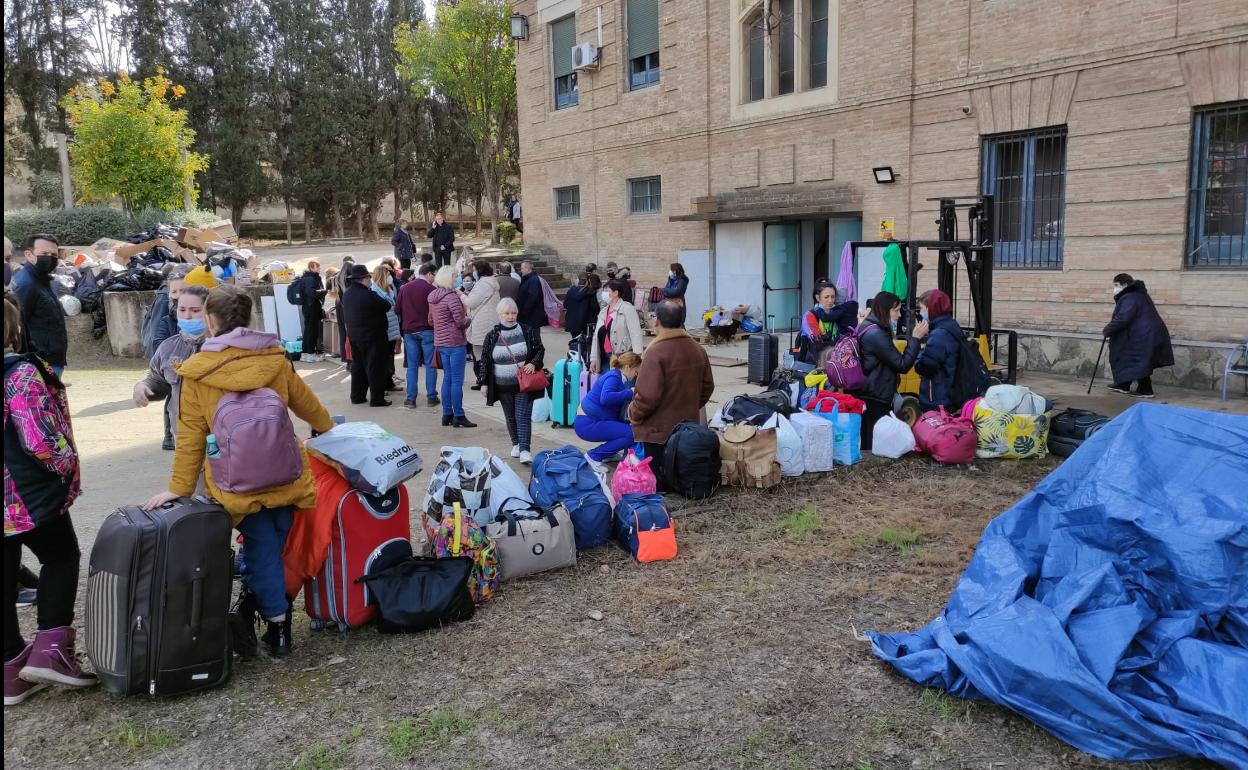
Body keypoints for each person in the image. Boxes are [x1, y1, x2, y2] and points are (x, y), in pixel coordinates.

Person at [144, 286, 334, 658]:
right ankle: (260, 608)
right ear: (248, 320)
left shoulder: (197, 372)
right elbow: (305, 402)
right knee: (274, 542)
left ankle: (277, 626)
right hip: (284, 471)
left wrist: (178, 488)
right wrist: (327, 429)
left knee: (263, 549)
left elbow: (190, 437)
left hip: (237, 481)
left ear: (210, 321)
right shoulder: (275, 357)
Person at [4, 295, 98, 705]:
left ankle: (9, 673)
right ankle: (52, 650)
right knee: (61, 556)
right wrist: (67, 467)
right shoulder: (20, 373)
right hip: (25, 495)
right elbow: (40, 439)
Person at [628, 300, 714, 467]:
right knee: (680, 478)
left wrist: (633, 413)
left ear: (657, 321)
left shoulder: (655, 352)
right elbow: (707, 387)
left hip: (658, 432)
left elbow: (647, 396)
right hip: (688, 431)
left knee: (659, 483)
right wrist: (690, 406)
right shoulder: (697, 349)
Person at [133, 285, 211, 450]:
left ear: (209, 312)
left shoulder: (221, 346)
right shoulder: (168, 347)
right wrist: (144, 387)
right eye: (182, 309)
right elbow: (157, 380)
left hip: (217, 434)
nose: (188, 316)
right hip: (182, 434)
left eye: (195, 310)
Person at [852, 292, 928, 450]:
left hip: (868, 391)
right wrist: (915, 339)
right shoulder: (876, 334)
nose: (899, 314)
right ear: (885, 310)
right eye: (897, 310)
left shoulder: (870, 326)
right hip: (875, 394)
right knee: (874, 440)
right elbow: (902, 364)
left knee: (869, 438)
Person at [481, 298, 545, 464]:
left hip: (523, 384)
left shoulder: (527, 330)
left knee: (522, 415)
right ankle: (516, 443)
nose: (510, 316)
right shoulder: (492, 335)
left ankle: (525, 449)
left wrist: (533, 363)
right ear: (499, 314)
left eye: (513, 313)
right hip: (502, 385)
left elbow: (539, 349)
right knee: (510, 417)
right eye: (506, 313)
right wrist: (484, 383)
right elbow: (485, 361)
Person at [1102, 273, 1173, 398]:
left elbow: (1123, 318)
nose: (1115, 288)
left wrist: (1108, 329)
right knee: (1131, 358)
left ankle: (1145, 390)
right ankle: (1123, 385)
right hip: (1143, 333)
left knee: (1138, 360)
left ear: (1125, 285)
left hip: (1143, 335)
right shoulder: (1138, 295)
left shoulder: (1130, 297)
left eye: (1117, 285)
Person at [12, 234, 67, 378]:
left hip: (51, 361)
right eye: (44, 254)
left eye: (54, 254)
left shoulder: (43, 280)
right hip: (38, 364)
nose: (50, 258)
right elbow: (16, 327)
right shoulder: (25, 284)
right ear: (29, 255)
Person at [574, 352, 641, 469]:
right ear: (627, 367)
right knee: (632, 433)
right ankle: (593, 456)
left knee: (625, 429)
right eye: (636, 371)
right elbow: (605, 398)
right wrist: (630, 392)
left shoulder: (615, 375)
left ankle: (608, 454)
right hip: (588, 423)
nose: (635, 375)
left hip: (588, 421)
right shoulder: (614, 377)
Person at [428, 266, 476, 428]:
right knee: (456, 381)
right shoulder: (452, 298)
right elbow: (460, 322)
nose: (457, 279)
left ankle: (447, 414)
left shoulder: (432, 297)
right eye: (455, 276)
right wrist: (469, 317)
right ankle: (459, 415)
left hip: (440, 342)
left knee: (447, 379)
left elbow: (430, 321)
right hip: (455, 343)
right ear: (449, 278)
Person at [341, 265, 394, 407]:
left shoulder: (347, 294)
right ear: (364, 279)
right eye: (369, 278)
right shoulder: (369, 295)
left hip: (354, 335)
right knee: (375, 367)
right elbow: (386, 306)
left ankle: (357, 396)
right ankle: (377, 398)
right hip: (373, 336)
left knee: (358, 366)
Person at [396, 262, 439, 408]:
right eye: (434, 275)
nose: (435, 279)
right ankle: (432, 397)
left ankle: (411, 399)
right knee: (430, 365)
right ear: (429, 274)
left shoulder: (405, 288)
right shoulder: (432, 289)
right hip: (428, 330)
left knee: (412, 366)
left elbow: (397, 309)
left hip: (409, 331)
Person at [913, 289, 963, 413]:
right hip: (949, 393)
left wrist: (918, 347)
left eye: (922, 309)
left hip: (937, 399)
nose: (920, 313)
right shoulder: (951, 326)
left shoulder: (938, 334)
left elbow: (925, 367)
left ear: (931, 308)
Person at [590, 279, 645, 374]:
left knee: (624, 387)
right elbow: (596, 337)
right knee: (608, 387)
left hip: (624, 358)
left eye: (607, 291)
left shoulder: (627, 309)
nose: (604, 294)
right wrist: (594, 358)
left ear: (616, 293)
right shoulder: (603, 311)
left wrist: (636, 360)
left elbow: (635, 334)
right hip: (605, 358)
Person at [463, 260, 501, 391]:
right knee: (484, 352)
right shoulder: (490, 282)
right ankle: (484, 380)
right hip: (489, 321)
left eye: (474, 269)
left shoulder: (483, 284)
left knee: (481, 353)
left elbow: (471, 303)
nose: (473, 272)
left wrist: (461, 295)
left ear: (479, 270)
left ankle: (484, 381)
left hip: (482, 323)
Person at [800, 283, 859, 364]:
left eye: (833, 297)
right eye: (826, 297)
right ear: (818, 298)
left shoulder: (837, 313)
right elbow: (817, 342)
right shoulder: (809, 315)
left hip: (836, 361)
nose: (830, 300)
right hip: (815, 362)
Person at [371, 265, 401, 387]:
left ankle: (389, 382)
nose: (390, 277)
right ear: (383, 277)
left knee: (390, 357)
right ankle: (382, 385)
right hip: (384, 330)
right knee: (383, 359)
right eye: (388, 275)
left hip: (392, 329)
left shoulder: (388, 290)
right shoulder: (375, 292)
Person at [294, 261, 327, 363]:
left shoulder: (306, 278)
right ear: (312, 267)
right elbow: (312, 293)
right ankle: (311, 354)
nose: (319, 268)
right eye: (318, 267)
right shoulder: (311, 279)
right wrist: (325, 291)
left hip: (307, 307)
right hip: (312, 307)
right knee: (312, 331)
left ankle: (305, 354)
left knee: (308, 331)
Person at [562, 272, 601, 340]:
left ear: (578, 280)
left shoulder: (571, 290)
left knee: (575, 342)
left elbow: (565, 305)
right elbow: (595, 308)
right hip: (584, 324)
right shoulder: (590, 292)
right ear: (587, 281)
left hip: (572, 323)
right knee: (585, 344)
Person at [517, 261, 549, 329]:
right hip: (530, 316)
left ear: (527, 269)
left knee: (535, 337)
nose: (521, 271)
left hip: (532, 317)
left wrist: (524, 312)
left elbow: (532, 298)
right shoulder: (528, 279)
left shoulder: (533, 280)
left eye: (522, 268)